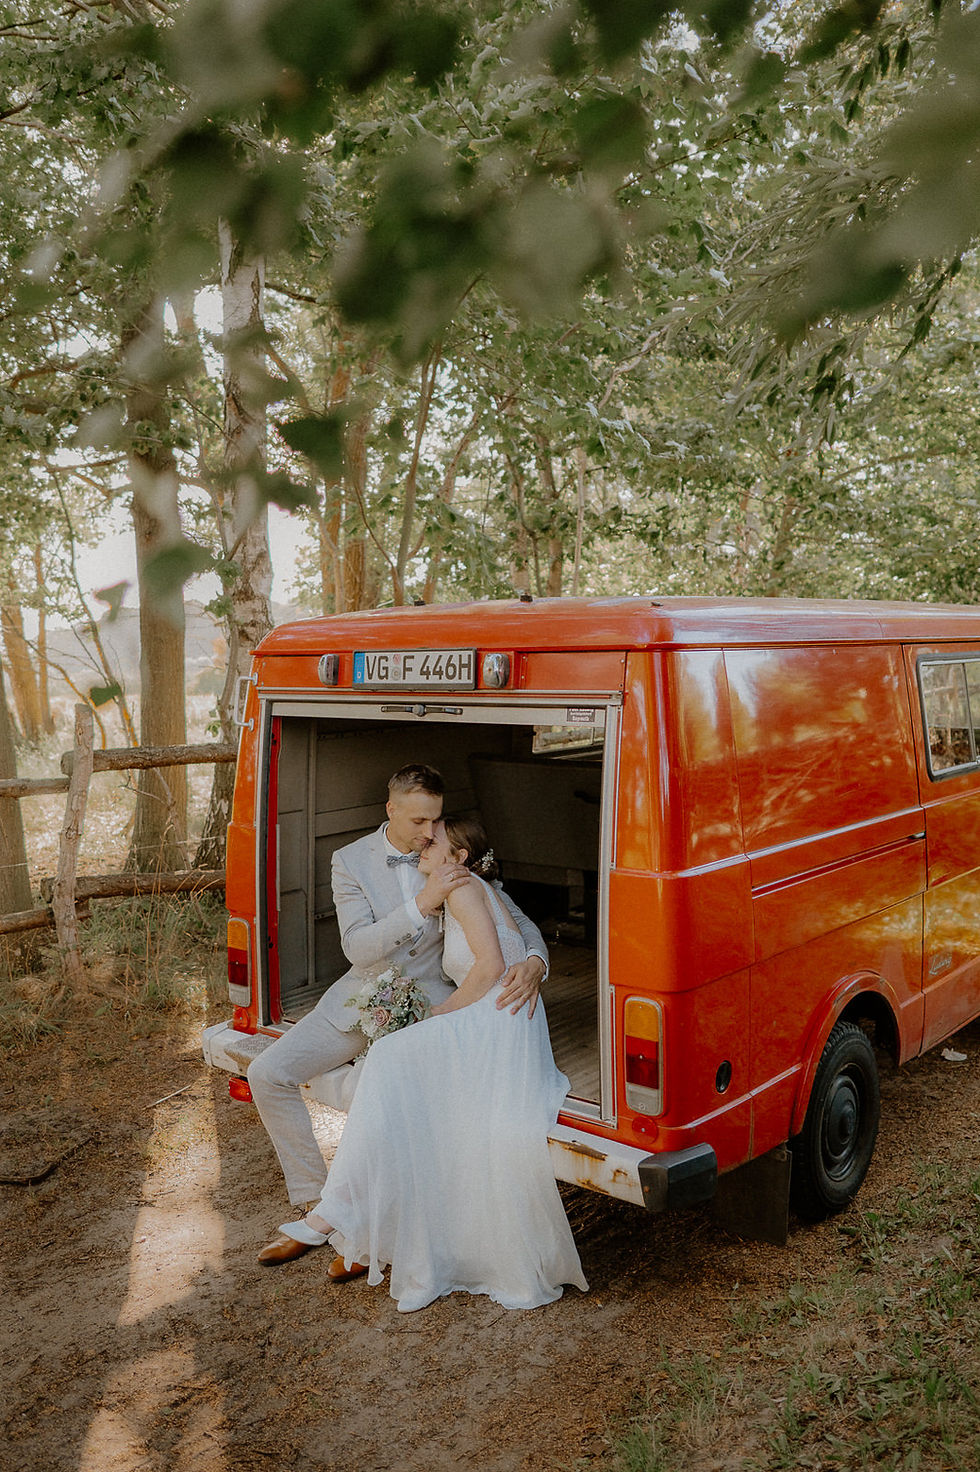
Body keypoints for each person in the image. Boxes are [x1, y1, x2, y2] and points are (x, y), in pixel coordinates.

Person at [276, 815, 589, 1312]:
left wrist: (438, 1018)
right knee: (397, 1083)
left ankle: (336, 1217)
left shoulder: (463, 889)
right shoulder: (476, 887)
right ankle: (360, 1223)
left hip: (496, 1020)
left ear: (458, 857)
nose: (425, 840)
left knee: (389, 1061)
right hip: (509, 1021)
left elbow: (488, 966)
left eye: (435, 837)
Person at [250, 764, 548, 1264]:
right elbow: (358, 949)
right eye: (417, 822)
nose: (428, 833)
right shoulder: (349, 861)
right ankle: (314, 1200)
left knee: (379, 1095)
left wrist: (537, 962)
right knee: (267, 1073)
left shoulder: (453, 857)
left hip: (431, 1007)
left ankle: (354, 1226)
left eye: (435, 821)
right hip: (361, 995)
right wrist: (421, 903)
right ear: (390, 811)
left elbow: (514, 921)